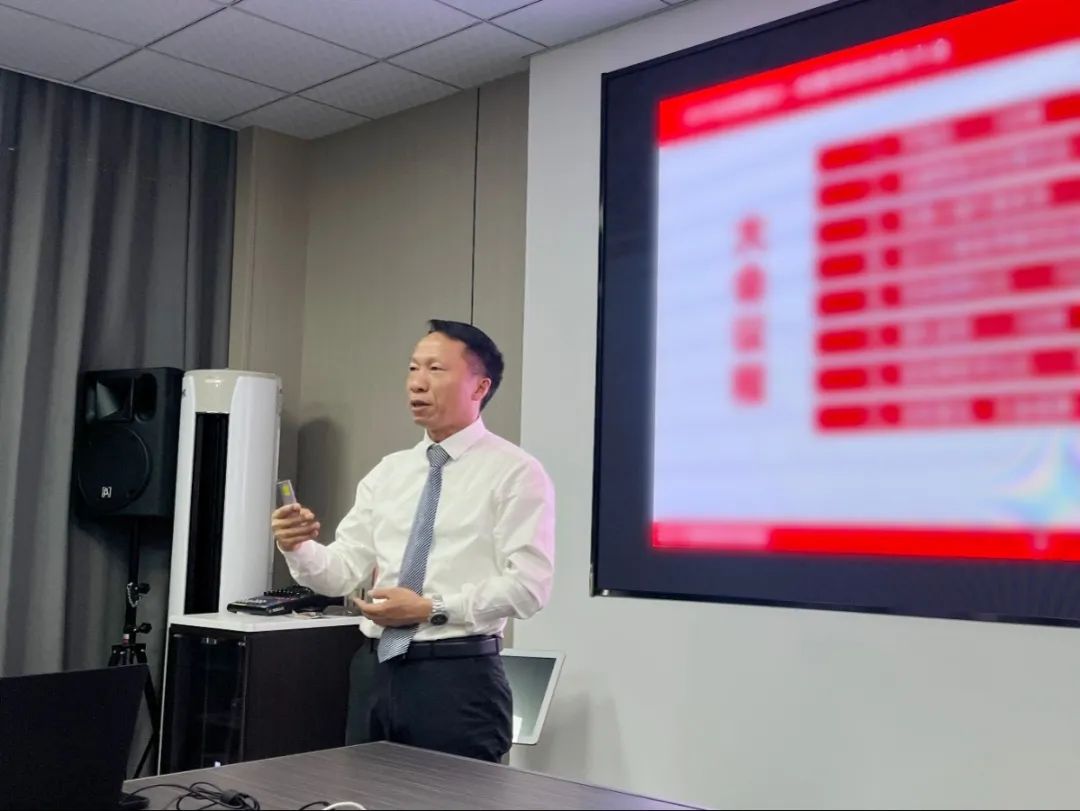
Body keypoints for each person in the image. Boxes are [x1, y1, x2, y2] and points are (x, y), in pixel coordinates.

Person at [271, 319, 555, 763]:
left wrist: (430, 608)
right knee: (363, 792)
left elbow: (529, 587)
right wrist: (298, 546)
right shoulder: (389, 472)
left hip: (458, 677)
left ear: (480, 387)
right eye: (412, 368)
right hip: (374, 671)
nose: (417, 383)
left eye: (435, 369)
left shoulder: (515, 472)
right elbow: (340, 573)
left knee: (452, 795)